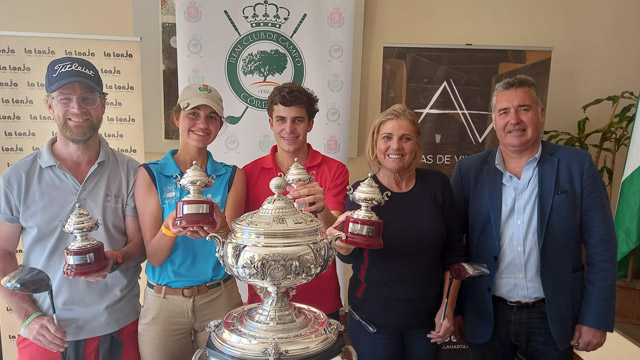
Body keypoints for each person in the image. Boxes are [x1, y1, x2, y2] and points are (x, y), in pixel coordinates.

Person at [450, 75, 618, 359]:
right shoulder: (469, 171)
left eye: (523, 109)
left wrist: (595, 318)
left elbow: (602, 246)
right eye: (504, 112)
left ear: (540, 113)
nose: (513, 119)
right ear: (494, 119)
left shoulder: (576, 165)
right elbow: (453, 246)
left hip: (551, 317)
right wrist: (452, 309)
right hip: (487, 314)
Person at [0, 57, 145, 359]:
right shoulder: (18, 178)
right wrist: (28, 317)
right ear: (49, 105)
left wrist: (114, 260)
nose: (77, 109)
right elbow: (2, 251)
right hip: (47, 330)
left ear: (103, 104)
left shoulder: (131, 171)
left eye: (88, 98)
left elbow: (139, 245)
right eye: (65, 98)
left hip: (119, 326)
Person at [326, 104, 466, 359]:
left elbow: (454, 252)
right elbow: (350, 256)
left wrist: (448, 306)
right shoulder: (361, 192)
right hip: (372, 323)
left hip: (426, 321)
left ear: (417, 145)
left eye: (405, 138)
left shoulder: (437, 186)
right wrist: (342, 245)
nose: (395, 146)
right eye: (387, 138)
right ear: (376, 144)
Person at [135, 83, 244, 360]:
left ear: (220, 125)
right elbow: (155, 257)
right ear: (177, 119)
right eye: (193, 113)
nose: (202, 123)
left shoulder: (232, 176)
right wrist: (169, 227)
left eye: (212, 117)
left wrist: (220, 225)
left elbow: (234, 256)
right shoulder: (151, 174)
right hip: (163, 304)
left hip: (219, 297)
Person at [243, 82, 349, 320]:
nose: (288, 129)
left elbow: (337, 237)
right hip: (263, 301)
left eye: (298, 120)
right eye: (281, 120)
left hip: (319, 299)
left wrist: (320, 209)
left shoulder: (335, 170)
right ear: (271, 123)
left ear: (310, 123)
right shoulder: (248, 173)